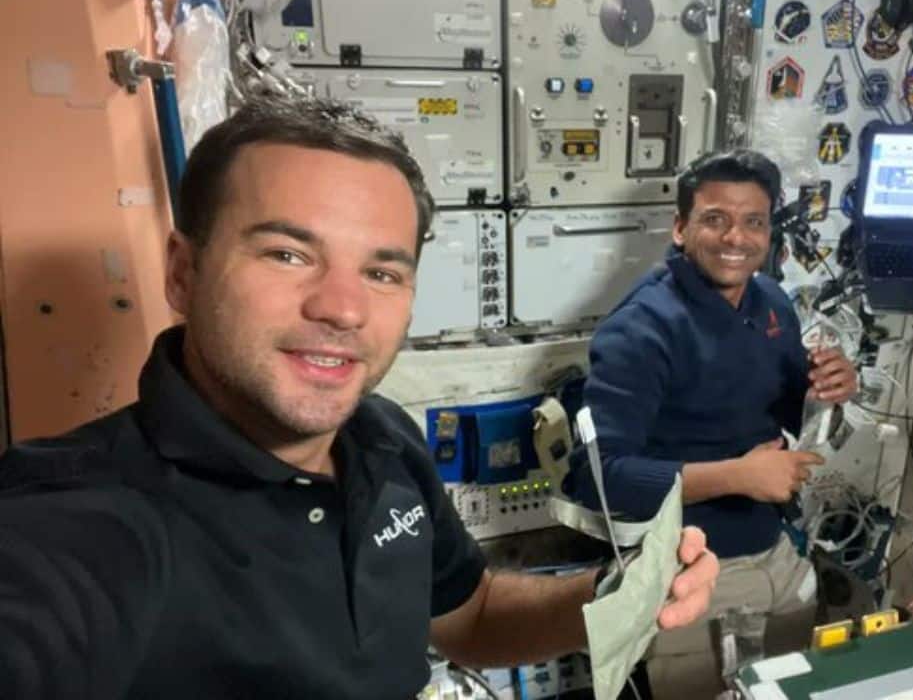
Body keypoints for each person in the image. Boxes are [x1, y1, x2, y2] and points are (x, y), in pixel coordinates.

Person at [0, 96, 718, 699]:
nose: (343, 308)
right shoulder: (80, 526)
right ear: (184, 274)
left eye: (381, 272)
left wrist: (620, 594)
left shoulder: (378, 437)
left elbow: (469, 614)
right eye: (288, 254)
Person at [570, 150, 858, 698]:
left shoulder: (770, 301)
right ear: (681, 229)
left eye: (754, 222)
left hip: (773, 550)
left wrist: (835, 387)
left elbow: (792, 404)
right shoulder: (642, 330)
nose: (736, 238)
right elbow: (598, 477)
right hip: (687, 571)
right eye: (715, 218)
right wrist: (738, 476)